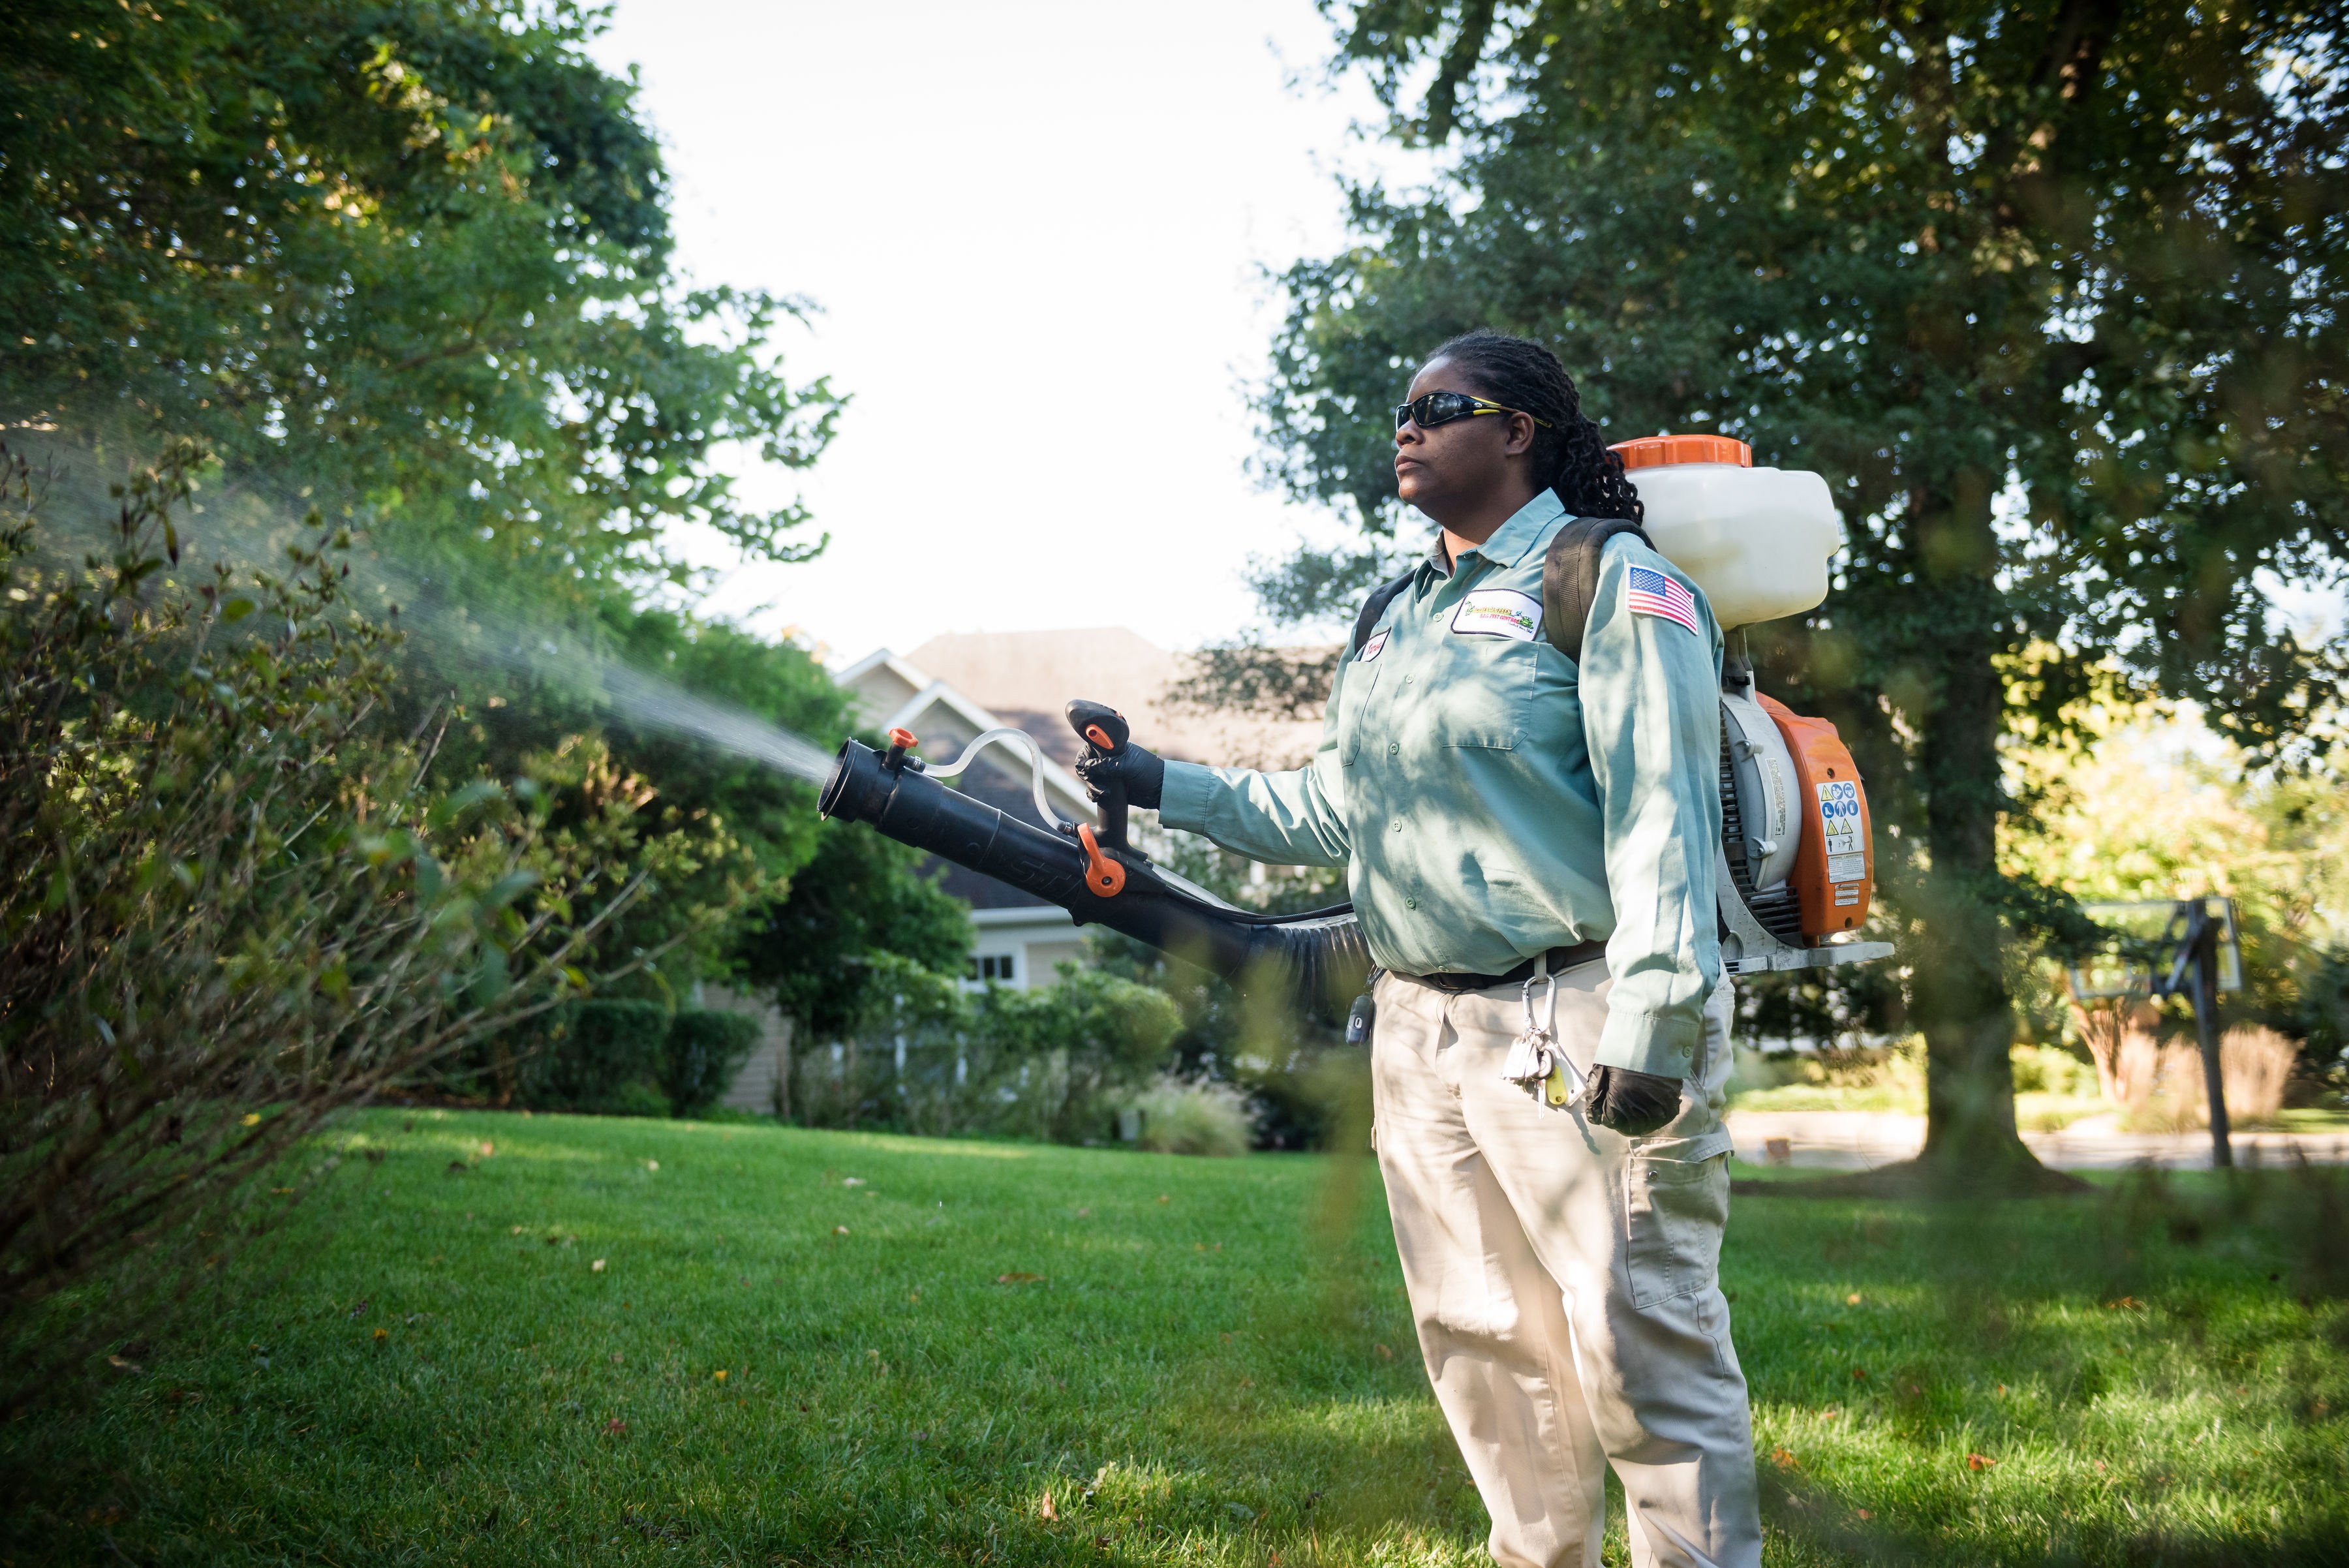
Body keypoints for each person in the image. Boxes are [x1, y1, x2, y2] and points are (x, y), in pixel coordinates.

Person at [1072, 330, 1760, 1568]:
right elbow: (1335, 808)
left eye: (1442, 405)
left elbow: (1662, 814)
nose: (1409, 425)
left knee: (1639, 1344)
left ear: (1518, 431)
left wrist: (1658, 1027)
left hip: (1584, 1011)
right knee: (1483, 1342)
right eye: (1404, 408)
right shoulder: (1397, 614)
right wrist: (1154, 778)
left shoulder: (1608, 581)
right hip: (1424, 1031)